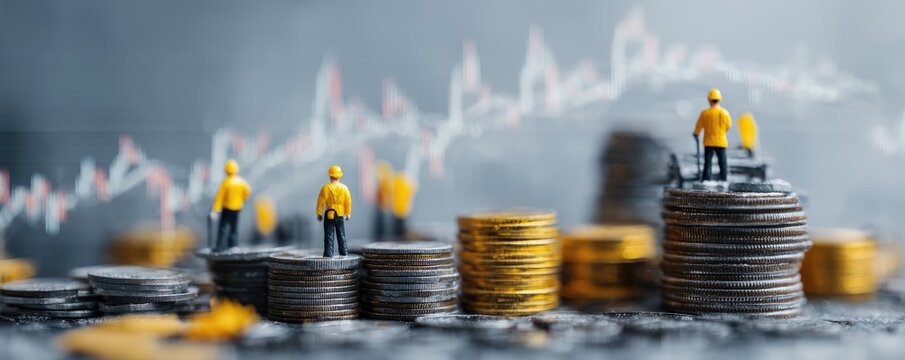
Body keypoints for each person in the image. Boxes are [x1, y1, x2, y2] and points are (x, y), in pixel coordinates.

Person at [210, 159, 251, 251]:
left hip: (227, 208)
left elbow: (219, 198)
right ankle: (233, 246)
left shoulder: (226, 182)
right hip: (237, 208)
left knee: (223, 228)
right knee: (234, 228)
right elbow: (247, 192)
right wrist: (241, 200)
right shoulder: (241, 182)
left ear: (226, 170)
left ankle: (219, 247)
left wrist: (215, 210)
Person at [693, 88, 733, 181]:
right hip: (721, 141)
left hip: (708, 142)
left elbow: (699, 125)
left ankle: (706, 179)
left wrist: (696, 134)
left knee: (707, 162)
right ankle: (723, 179)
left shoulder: (705, 113)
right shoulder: (724, 113)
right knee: (722, 162)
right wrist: (722, 132)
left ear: (709, 100)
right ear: (720, 99)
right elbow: (729, 125)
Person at [315, 165, 352, 257]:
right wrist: (347, 213)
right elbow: (348, 201)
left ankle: (328, 254)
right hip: (340, 215)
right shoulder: (344, 188)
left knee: (329, 236)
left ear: (330, 176)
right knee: (341, 235)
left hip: (329, 215)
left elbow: (320, 201)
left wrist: (319, 213)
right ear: (340, 176)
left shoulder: (325, 188)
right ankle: (344, 253)